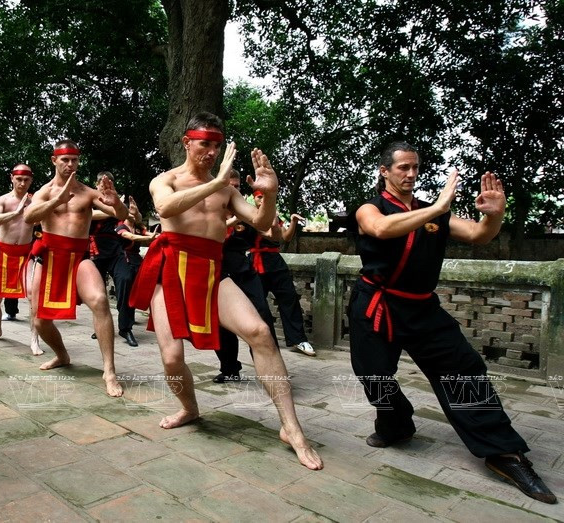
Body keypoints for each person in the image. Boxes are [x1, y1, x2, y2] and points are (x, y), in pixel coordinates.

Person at [349, 141, 555, 504]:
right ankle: (395, 424)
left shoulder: (434, 213)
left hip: (422, 308)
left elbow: (479, 235)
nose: (411, 174)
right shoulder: (371, 207)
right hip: (377, 304)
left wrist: (493, 214)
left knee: (463, 370)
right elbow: (380, 229)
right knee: (374, 375)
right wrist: (438, 207)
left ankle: (504, 454)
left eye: (415, 168)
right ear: (384, 171)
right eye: (403, 168)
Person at [129, 112, 323, 470]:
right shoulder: (165, 179)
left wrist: (269, 192)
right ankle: (189, 407)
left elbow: (263, 224)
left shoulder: (227, 190)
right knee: (172, 357)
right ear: (187, 142)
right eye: (205, 143)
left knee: (260, 333)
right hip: (171, 269)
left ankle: (292, 427)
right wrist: (216, 181)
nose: (211, 151)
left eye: (217, 146)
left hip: (212, 271)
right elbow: (165, 207)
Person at [24, 140, 128, 397]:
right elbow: (29, 217)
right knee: (40, 321)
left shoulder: (88, 192)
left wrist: (116, 202)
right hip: (49, 257)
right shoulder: (44, 192)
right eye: (65, 160)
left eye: (74, 160)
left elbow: (123, 215)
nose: (70, 165)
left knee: (100, 300)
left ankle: (109, 371)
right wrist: (58, 197)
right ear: (54, 160)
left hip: (79, 257)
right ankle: (62, 355)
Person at [210, 170, 281, 384]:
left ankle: (273, 373)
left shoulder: (247, 212)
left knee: (262, 320)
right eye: (228, 185)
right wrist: (233, 220)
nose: (233, 190)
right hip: (218, 273)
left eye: (237, 186)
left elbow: (274, 236)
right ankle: (230, 369)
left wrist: (270, 207)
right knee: (221, 326)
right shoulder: (210, 211)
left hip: (243, 270)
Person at [0, 163, 42, 355]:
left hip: (26, 253)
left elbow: (48, 220)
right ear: (12, 178)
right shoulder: (2, 200)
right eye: (19, 179)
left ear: (31, 180)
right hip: (3, 252)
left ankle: (34, 339)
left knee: (34, 298)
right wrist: (16, 213)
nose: (22, 183)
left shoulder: (35, 202)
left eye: (26, 179)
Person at [249, 192, 315, 356]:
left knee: (289, 298)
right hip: (257, 263)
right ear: (254, 199)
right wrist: (273, 219)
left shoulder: (275, 216)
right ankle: (262, 339)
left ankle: (298, 339)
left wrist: (292, 222)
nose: (263, 200)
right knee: (259, 305)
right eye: (259, 197)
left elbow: (285, 237)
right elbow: (271, 235)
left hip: (275, 261)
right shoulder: (250, 216)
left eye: (266, 197)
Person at [88, 171, 139, 347]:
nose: (104, 184)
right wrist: (116, 211)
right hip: (95, 253)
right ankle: (101, 326)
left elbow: (131, 217)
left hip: (116, 252)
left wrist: (132, 212)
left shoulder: (118, 201)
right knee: (97, 293)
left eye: (108, 182)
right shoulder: (90, 200)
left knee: (126, 280)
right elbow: (93, 215)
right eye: (101, 182)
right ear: (96, 184)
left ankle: (125, 328)